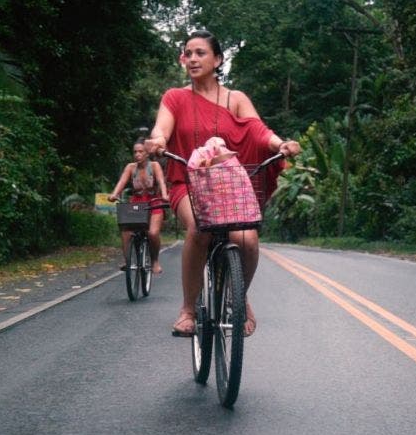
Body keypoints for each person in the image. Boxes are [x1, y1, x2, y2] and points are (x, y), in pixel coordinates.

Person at [144, 30, 302, 337]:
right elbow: (161, 130)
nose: (192, 59)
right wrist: (157, 141)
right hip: (188, 183)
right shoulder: (174, 97)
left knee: (249, 241)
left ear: (217, 60)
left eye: (200, 53)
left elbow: (259, 131)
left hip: (229, 187)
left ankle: (238, 297)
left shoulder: (236, 99)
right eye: (188, 53)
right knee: (199, 228)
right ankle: (188, 309)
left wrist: (280, 144)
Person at [107, 137, 169, 275]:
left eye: (141, 151)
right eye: (135, 152)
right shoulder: (130, 167)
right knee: (125, 230)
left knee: (152, 233)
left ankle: (155, 261)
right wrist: (114, 194)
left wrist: (164, 195)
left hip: (153, 203)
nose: (137, 155)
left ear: (147, 153)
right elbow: (121, 182)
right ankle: (128, 260)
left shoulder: (154, 166)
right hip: (137, 204)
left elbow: (161, 182)